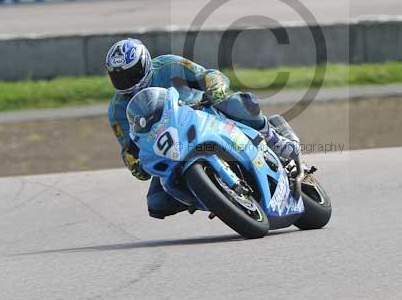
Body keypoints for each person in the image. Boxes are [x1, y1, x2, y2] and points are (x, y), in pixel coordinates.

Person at [105, 38, 300, 219]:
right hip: (170, 148)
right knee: (157, 203)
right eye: (119, 78)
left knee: (239, 103)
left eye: (132, 74)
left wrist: (215, 87)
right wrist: (133, 162)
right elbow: (129, 147)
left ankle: (274, 138)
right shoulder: (117, 111)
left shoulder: (168, 65)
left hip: (202, 116)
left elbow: (207, 74)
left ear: (145, 63)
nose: (127, 82)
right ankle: (214, 196)